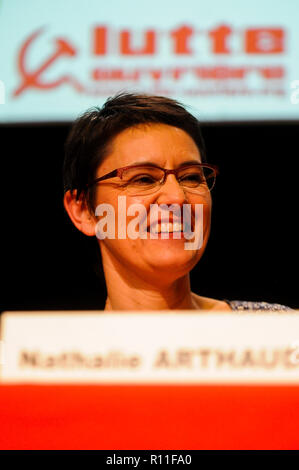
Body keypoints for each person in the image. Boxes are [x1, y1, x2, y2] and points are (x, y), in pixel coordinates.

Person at [63, 92, 291, 312]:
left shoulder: (280, 333)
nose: (177, 198)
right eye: (143, 179)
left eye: (191, 177)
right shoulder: (54, 349)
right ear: (83, 210)